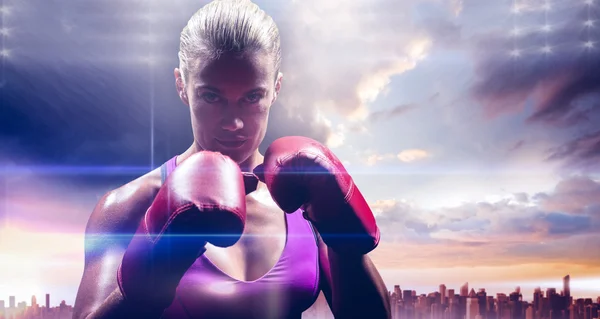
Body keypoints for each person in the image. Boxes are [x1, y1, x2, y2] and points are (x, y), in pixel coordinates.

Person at [72, 0, 390, 318]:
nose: (233, 123)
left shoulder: (305, 199)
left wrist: (346, 245)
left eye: (252, 97)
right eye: (212, 96)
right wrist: (143, 286)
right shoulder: (129, 205)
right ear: (182, 86)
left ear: (276, 88)